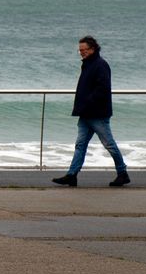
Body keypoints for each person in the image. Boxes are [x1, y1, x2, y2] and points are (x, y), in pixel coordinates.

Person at [52, 36, 130, 187]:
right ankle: (72, 175)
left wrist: (88, 102)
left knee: (109, 145)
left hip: (97, 114)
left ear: (93, 49)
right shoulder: (87, 64)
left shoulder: (100, 65)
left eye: (84, 50)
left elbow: (103, 89)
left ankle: (122, 173)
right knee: (80, 145)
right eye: (80, 50)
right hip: (85, 113)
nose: (81, 53)